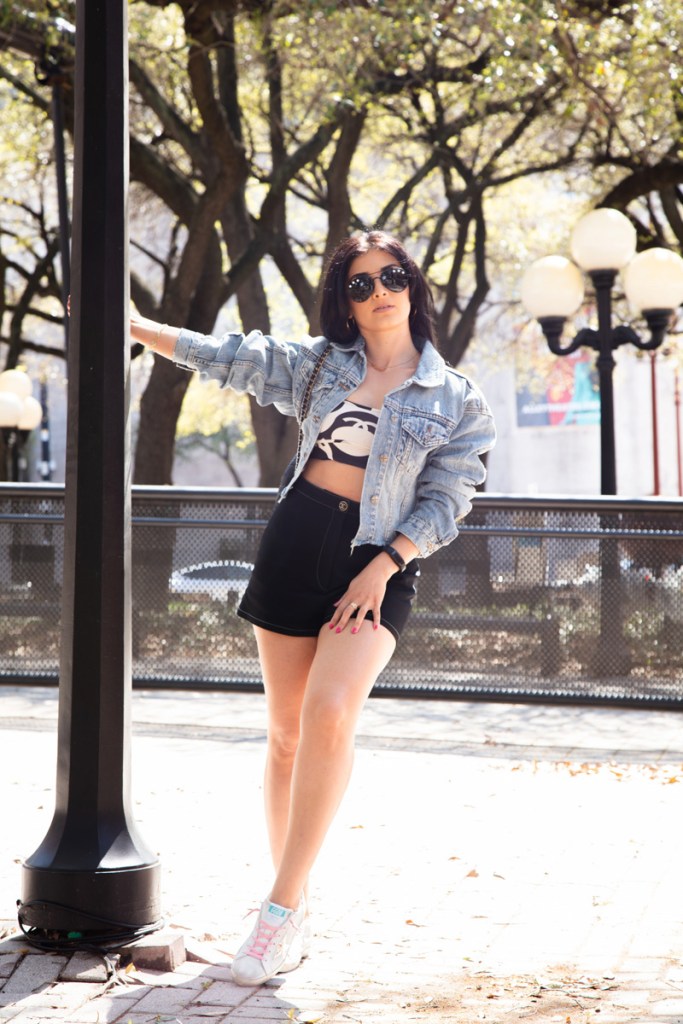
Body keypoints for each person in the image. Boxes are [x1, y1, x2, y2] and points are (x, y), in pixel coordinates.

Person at [129, 230, 496, 986]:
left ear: (412, 285)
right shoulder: (321, 365)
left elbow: (448, 500)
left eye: (391, 276)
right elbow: (225, 355)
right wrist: (129, 324)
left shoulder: (456, 397)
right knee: (287, 735)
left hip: (378, 563)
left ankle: (276, 910)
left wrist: (384, 565)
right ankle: (291, 906)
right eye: (360, 283)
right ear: (345, 302)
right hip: (296, 545)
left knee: (330, 713)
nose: (379, 291)